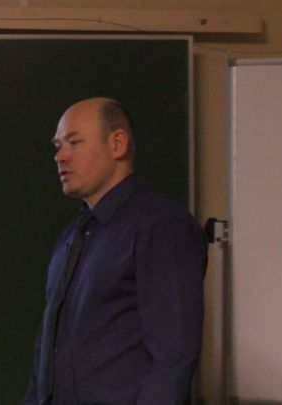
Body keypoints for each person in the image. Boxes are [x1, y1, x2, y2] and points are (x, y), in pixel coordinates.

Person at [22, 97, 208, 404]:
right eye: (58, 146)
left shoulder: (161, 226)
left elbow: (173, 358)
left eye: (74, 142)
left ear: (117, 144)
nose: (60, 156)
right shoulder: (72, 237)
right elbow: (46, 357)